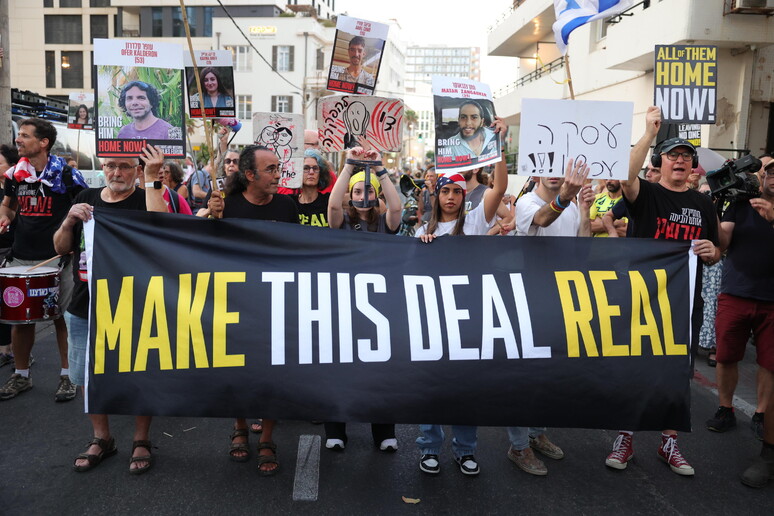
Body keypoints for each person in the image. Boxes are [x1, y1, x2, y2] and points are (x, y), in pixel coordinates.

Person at [606, 107, 721, 477]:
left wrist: (711, 251)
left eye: (687, 157)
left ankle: (669, 441)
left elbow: (717, 251)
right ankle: (625, 435)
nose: (681, 161)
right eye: (673, 155)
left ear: (693, 167)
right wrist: (649, 132)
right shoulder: (650, 195)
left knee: (676, 372)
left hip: (686, 302)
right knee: (636, 367)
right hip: (643, 298)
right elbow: (625, 175)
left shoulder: (704, 203)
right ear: (661, 161)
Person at [53, 146, 168, 474]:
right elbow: (61, 247)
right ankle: (101, 438)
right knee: (88, 375)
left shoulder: (144, 197)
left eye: (124, 167)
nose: (116, 173)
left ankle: (141, 438)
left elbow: (160, 227)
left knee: (140, 371)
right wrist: (68, 220)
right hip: (85, 302)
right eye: (110, 166)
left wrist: (151, 179)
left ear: (135, 169)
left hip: (135, 303)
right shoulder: (86, 197)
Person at [414, 120, 508, 476]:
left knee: (467, 388)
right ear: (436, 196)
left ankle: (465, 449)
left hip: (471, 318)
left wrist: (496, 143)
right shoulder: (423, 230)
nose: (451, 197)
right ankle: (429, 448)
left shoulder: (477, 221)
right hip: (434, 320)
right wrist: (421, 248)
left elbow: (499, 186)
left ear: (463, 196)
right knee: (432, 387)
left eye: (456, 192)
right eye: (445, 192)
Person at [208, 145, 299, 475]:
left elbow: (296, 250)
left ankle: (268, 438)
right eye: (272, 169)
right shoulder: (226, 205)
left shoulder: (287, 205)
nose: (279, 175)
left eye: (279, 168)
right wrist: (209, 216)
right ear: (250, 176)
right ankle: (240, 428)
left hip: (275, 303)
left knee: (273, 372)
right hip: (235, 304)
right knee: (237, 370)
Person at [505, 159, 593, 476]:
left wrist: (583, 210)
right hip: (527, 301)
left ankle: (536, 432)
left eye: (560, 164)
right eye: (548, 164)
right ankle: (518, 446)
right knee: (521, 378)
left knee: (548, 375)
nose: (555, 171)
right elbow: (541, 219)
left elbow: (582, 248)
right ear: (536, 171)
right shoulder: (527, 201)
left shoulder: (569, 205)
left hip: (559, 300)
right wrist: (566, 197)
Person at [0, 119, 88, 402]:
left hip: (59, 257)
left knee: (63, 318)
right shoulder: (15, 175)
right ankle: (21, 376)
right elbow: (9, 205)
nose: (19, 140)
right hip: (22, 255)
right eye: (19, 135)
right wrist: (4, 216)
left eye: (25, 136)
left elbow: (85, 210)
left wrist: (77, 245)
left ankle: (68, 376)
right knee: (20, 319)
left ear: (43, 142)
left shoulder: (67, 175)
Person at [324, 146, 401, 452]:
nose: (363, 194)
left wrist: (380, 169)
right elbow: (331, 204)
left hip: (379, 307)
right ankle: (336, 431)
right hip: (343, 305)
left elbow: (396, 208)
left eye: (369, 189)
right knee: (338, 369)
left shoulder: (385, 222)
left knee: (380, 372)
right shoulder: (341, 220)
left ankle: (383, 433)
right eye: (357, 190)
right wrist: (349, 167)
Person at [705, 160, 774, 487]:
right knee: (727, 355)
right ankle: (725, 408)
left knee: (769, 363)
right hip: (737, 292)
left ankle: (762, 413)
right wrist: (715, 211)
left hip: (772, 301)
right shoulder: (741, 204)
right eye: (772, 173)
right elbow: (723, 241)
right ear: (763, 177)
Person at [0, 144, 19, 369]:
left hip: (13, 254)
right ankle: (4, 348)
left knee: (11, 304)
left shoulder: (18, 189)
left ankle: (15, 351)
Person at [293, 150, 332, 227]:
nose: (311, 172)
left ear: (321, 173)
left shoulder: (328, 201)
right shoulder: (291, 203)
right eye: (306, 168)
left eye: (315, 168)